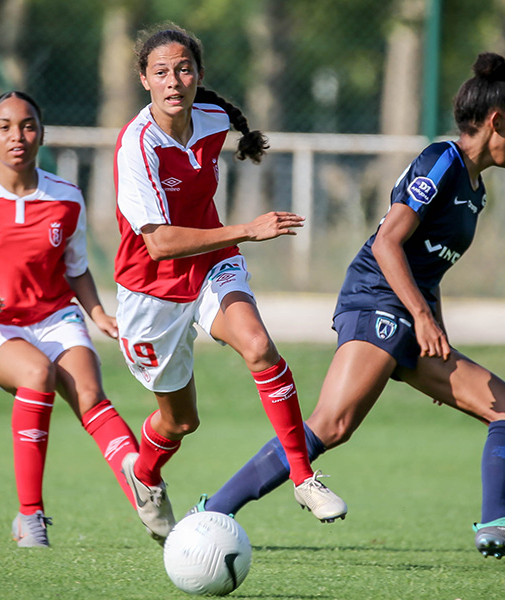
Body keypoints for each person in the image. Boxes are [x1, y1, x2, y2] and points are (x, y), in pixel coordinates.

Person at [194, 53, 505, 562]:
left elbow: (427, 269)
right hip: (376, 300)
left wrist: (435, 334)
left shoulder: (475, 189)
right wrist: (422, 318)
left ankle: (497, 525)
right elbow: (387, 244)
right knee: (331, 425)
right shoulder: (442, 161)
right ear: (496, 121)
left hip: (410, 316)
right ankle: (211, 512)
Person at [113, 23, 347, 545]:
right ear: (144, 80)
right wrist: (247, 229)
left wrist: (233, 237)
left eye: (184, 69)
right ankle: (144, 474)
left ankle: (303, 477)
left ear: (198, 74)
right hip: (151, 291)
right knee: (180, 423)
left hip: (212, 263)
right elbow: (159, 244)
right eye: (160, 72)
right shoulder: (136, 146)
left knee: (259, 346)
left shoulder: (213, 120)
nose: (173, 81)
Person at [0, 91, 141, 548]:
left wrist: (98, 313)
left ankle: (150, 500)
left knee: (90, 394)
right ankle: (30, 517)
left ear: (41, 135)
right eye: (5, 127)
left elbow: (76, 269)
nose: (17, 136)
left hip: (54, 318)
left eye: (27, 126)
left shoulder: (66, 198)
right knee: (37, 374)